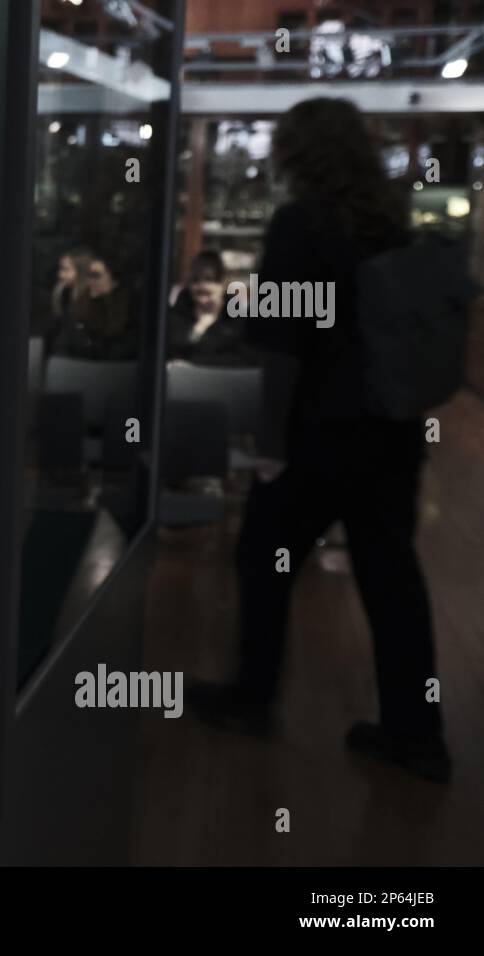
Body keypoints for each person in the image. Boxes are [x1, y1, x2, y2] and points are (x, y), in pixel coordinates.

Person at [188, 97, 451, 783]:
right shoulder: (389, 225)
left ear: (296, 153)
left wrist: (269, 442)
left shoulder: (300, 224)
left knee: (263, 559)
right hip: (390, 430)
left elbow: (281, 348)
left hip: (320, 432)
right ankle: (417, 734)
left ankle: (251, 696)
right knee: (392, 580)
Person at [167, 249, 250, 365]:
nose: (201, 286)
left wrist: (194, 364)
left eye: (209, 279)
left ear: (222, 284)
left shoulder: (237, 317)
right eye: (195, 280)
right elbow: (168, 349)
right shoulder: (177, 313)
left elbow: (243, 359)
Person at [53, 254, 137, 360]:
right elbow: (63, 344)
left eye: (96, 276)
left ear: (115, 280)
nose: (90, 281)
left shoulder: (130, 310)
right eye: (88, 276)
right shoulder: (81, 304)